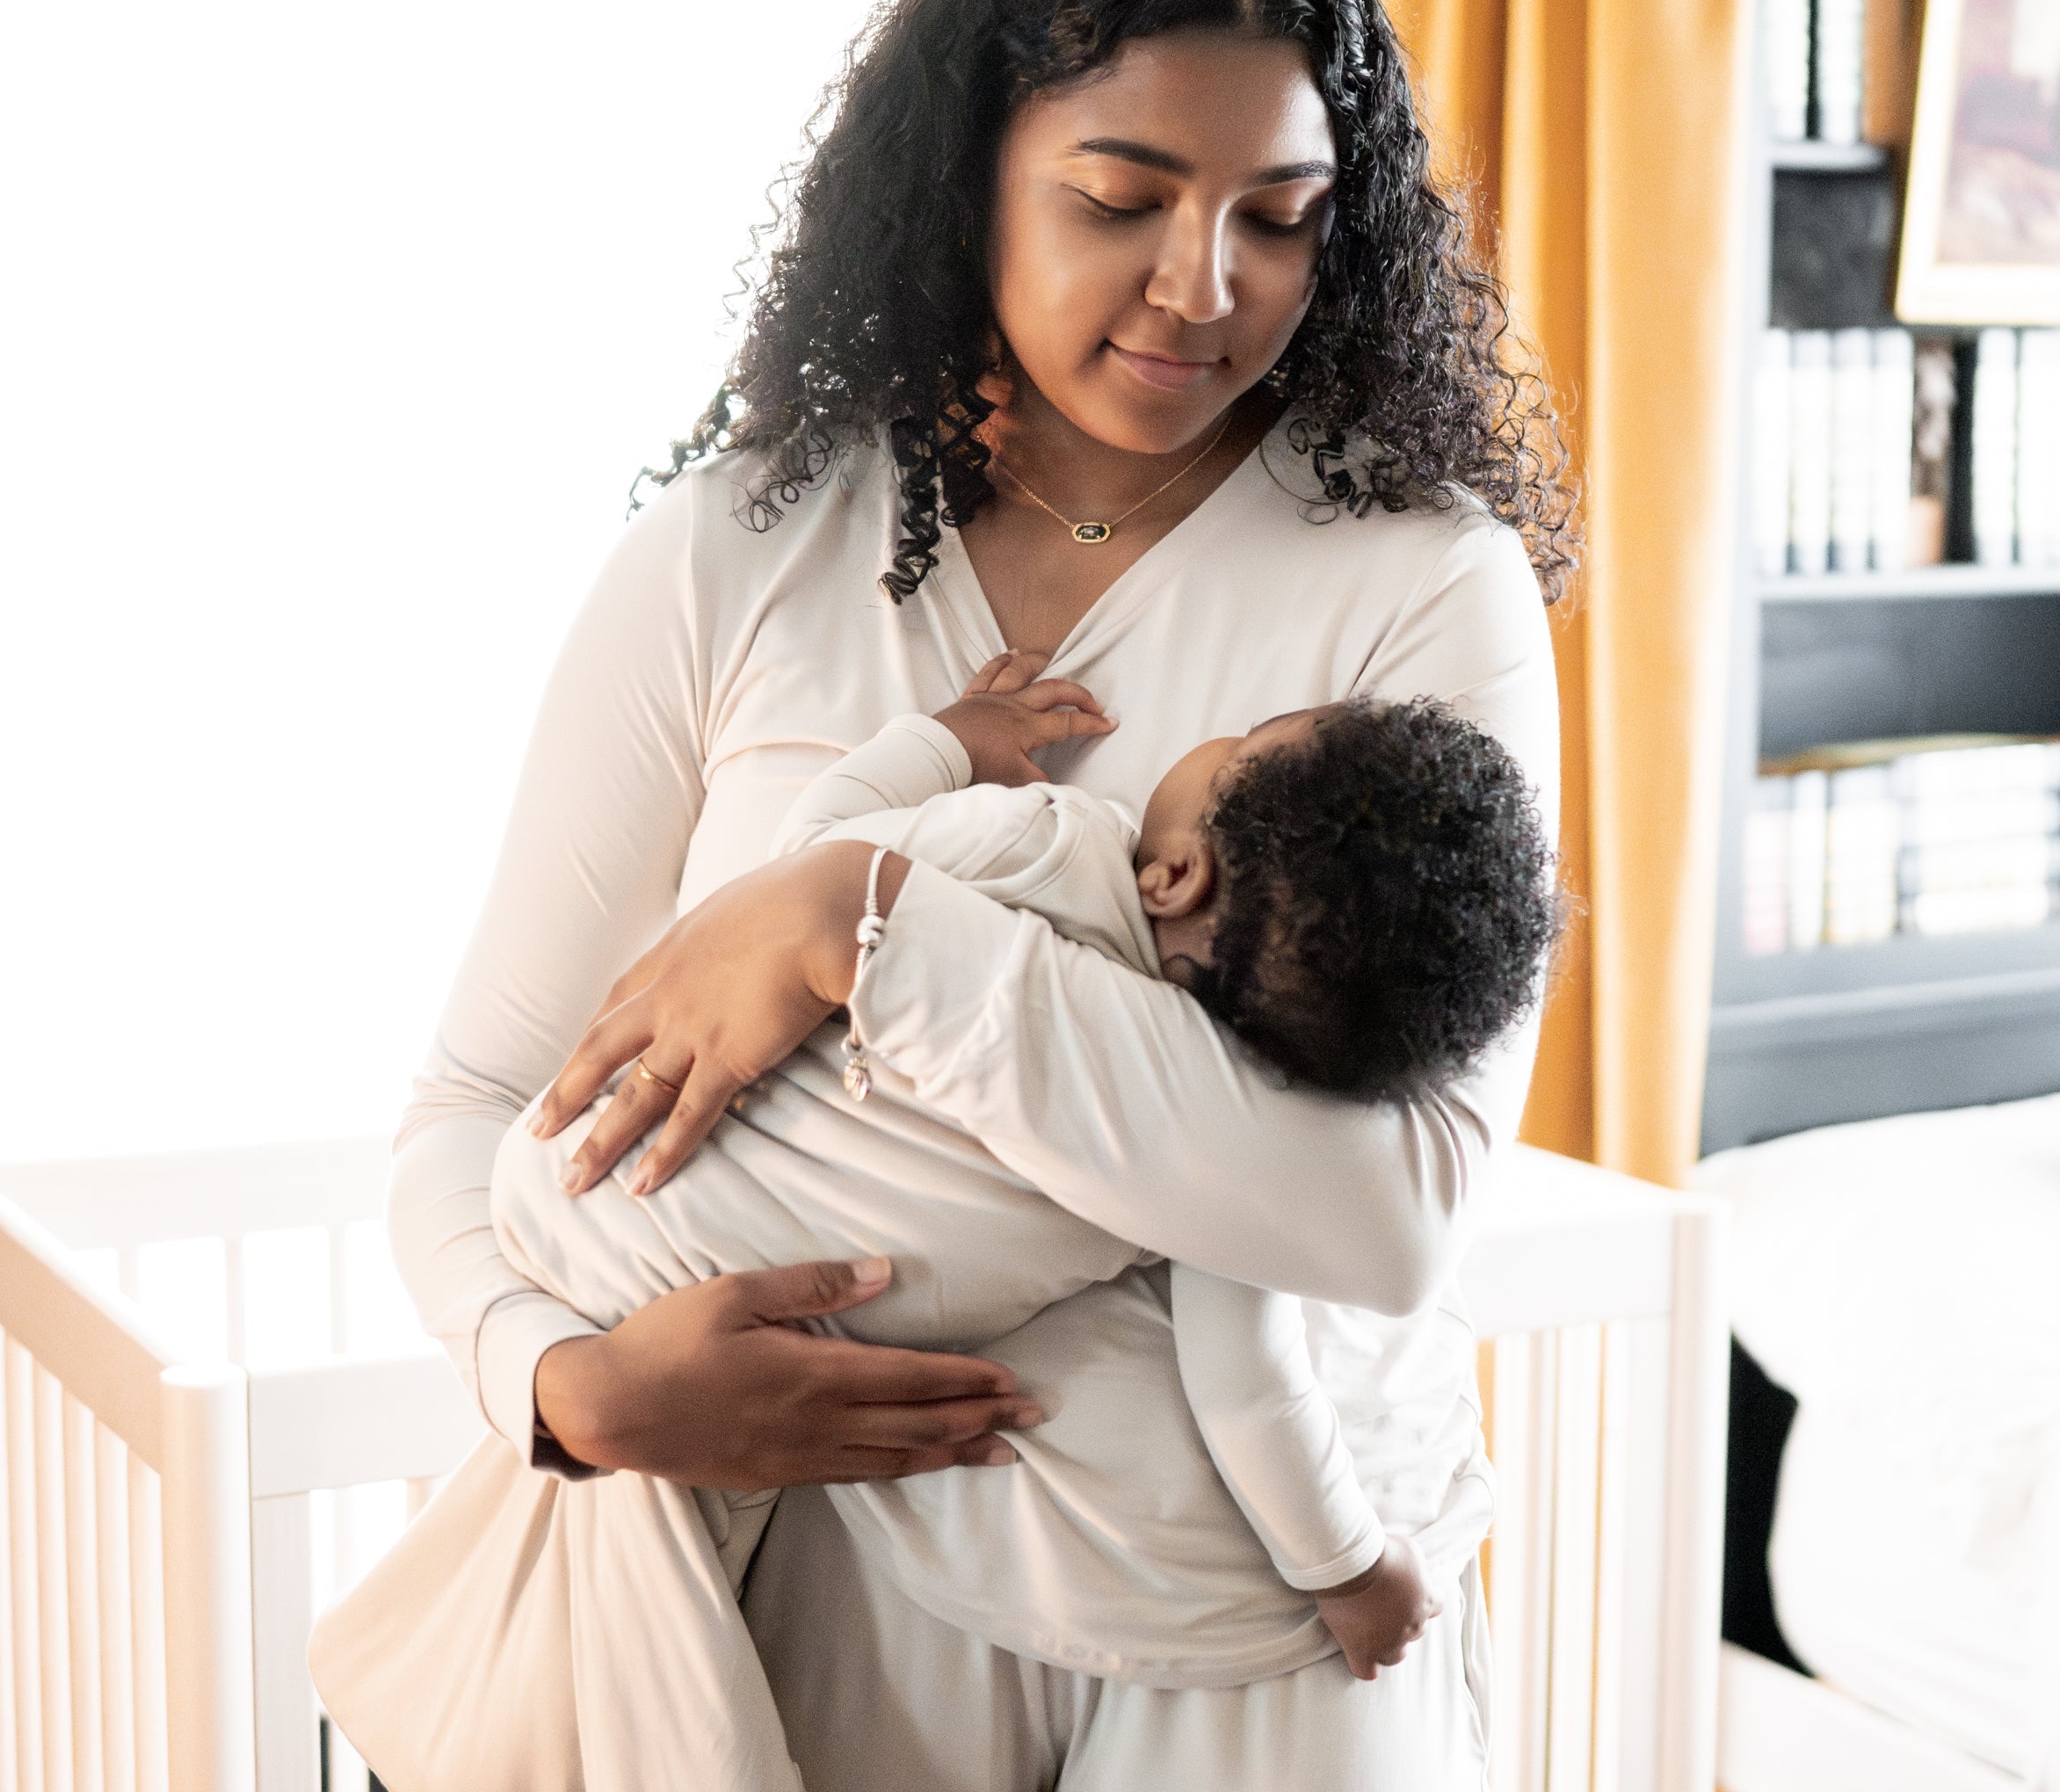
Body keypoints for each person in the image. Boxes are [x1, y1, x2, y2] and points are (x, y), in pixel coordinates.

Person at [390, 0, 1572, 1792]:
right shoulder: (751, 549)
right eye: (1126, 193)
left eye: (1280, 210)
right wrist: (564, 1385)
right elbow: (475, 1114)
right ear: (976, 164)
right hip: (838, 1568)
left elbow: (1386, 1209)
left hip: (1264, 1614)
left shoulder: (1415, 584)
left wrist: (858, 920)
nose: (1204, 285)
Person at [488, 653, 1559, 1683]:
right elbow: (1254, 1391)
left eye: (1244, 742)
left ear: (1177, 873)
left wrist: (940, 745)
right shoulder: (1223, 1176)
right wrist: (1354, 1572)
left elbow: (808, 862)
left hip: (578, 1176)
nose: (1222, 730)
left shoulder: (1051, 846)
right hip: (724, 1336)